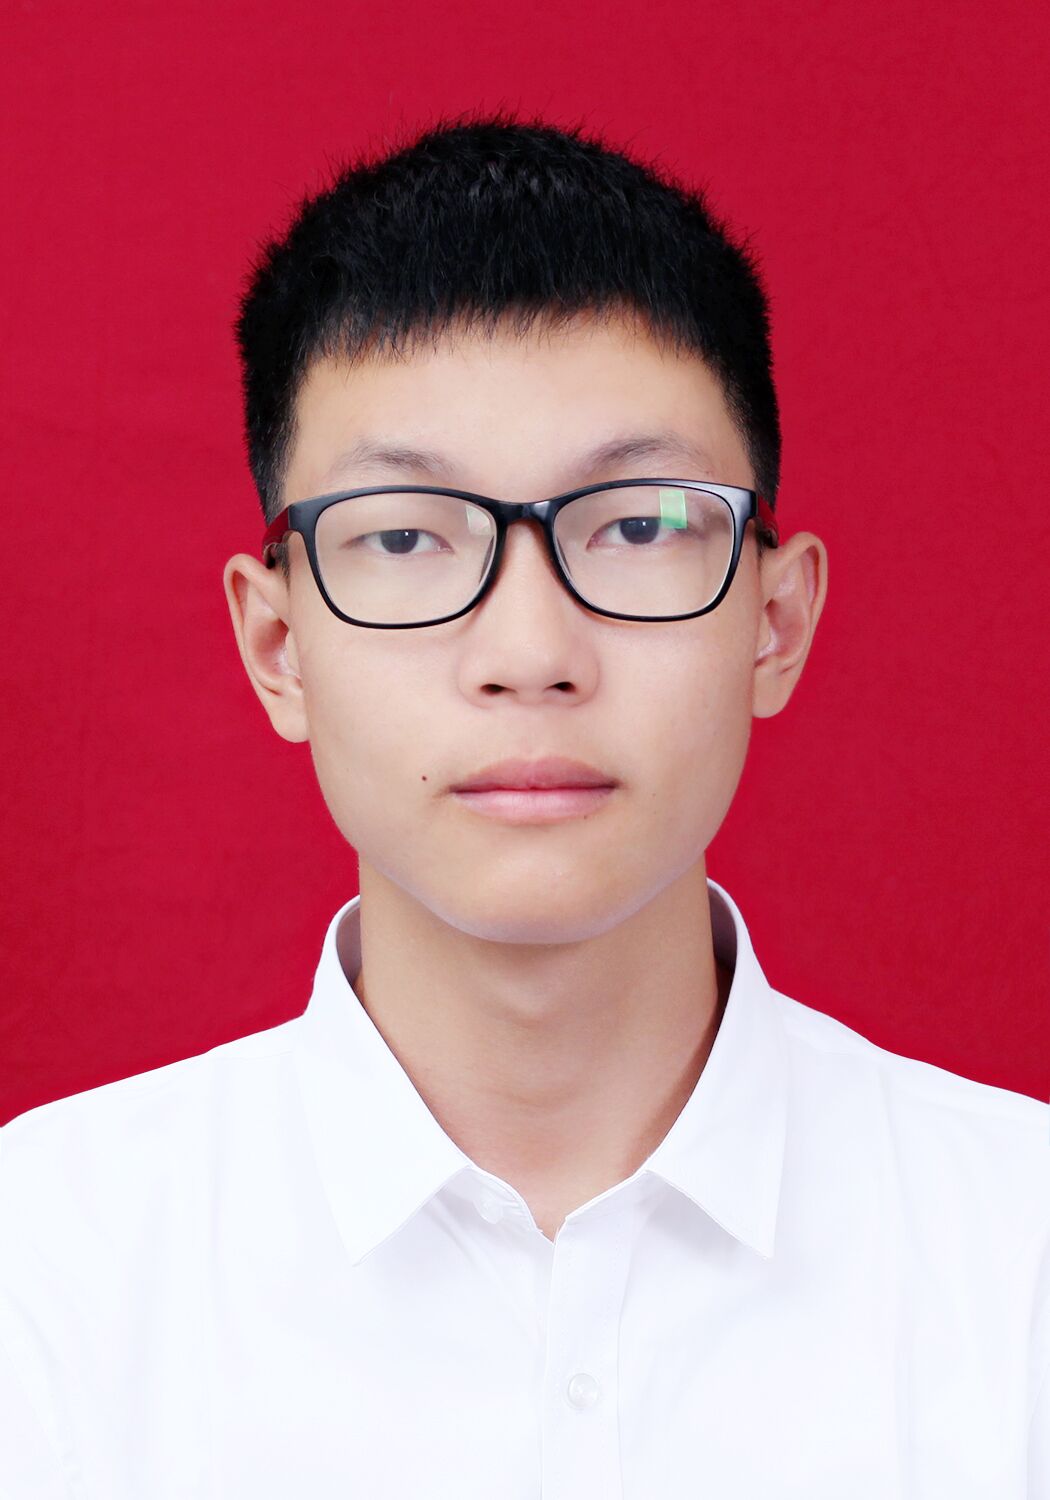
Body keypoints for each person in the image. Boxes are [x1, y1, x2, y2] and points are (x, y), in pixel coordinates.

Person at [0, 113, 1046, 1499]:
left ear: (776, 621)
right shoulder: (45, 1272)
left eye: (637, 525)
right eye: (404, 536)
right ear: (277, 646)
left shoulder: (1018, 1256)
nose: (530, 653)